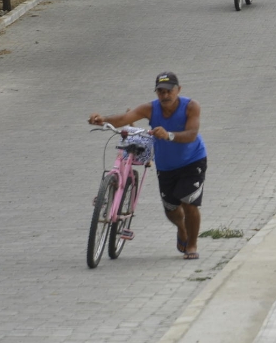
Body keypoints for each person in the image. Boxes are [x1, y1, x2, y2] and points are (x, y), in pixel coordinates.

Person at [88, 72, 207, 259]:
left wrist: (169, 135)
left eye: (169, 91)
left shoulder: (191, 106)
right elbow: (124, 118)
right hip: (166, 165)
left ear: (178, 90)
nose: (165, 95)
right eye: (160, 91)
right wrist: (103, 119)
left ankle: (192, 245)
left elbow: (191, 133)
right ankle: (182, 228)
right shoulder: (150, 108)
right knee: (171, 209)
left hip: (192, 160)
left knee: (189, 202)